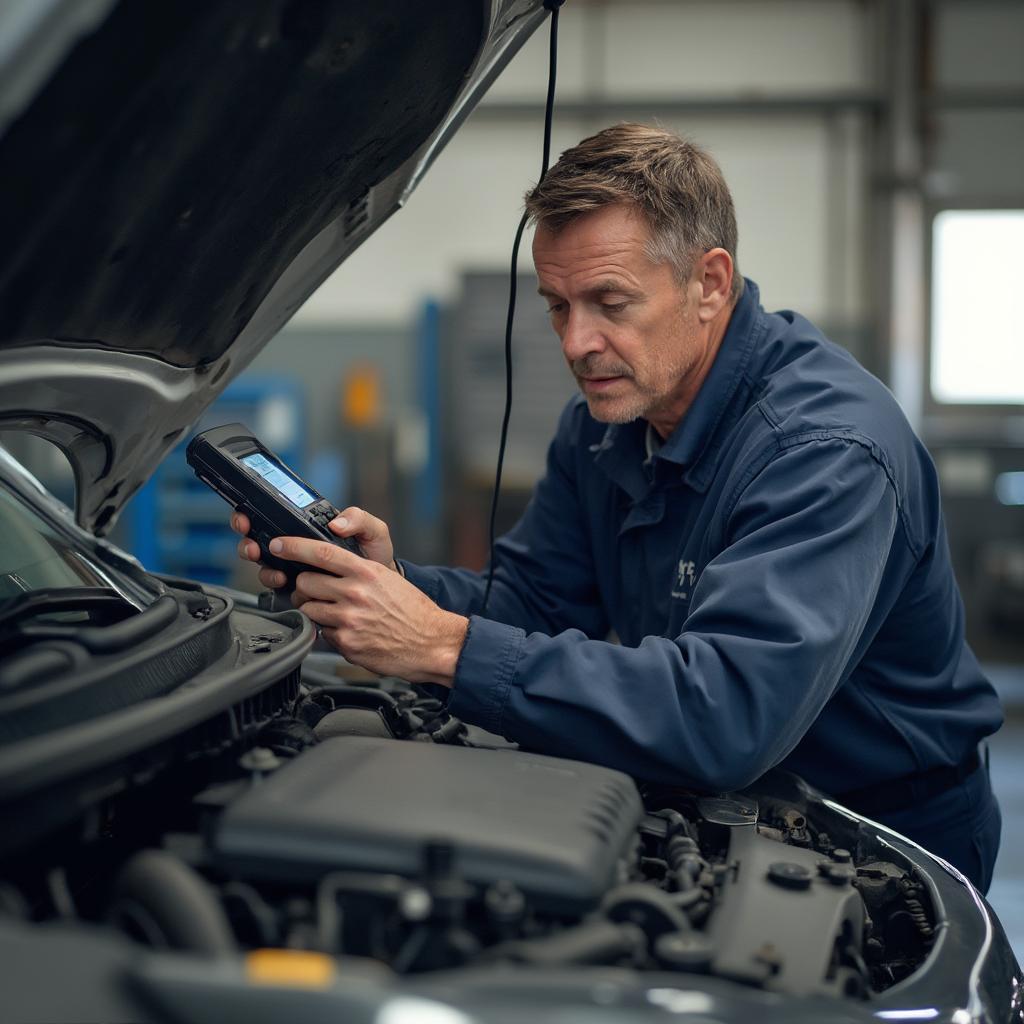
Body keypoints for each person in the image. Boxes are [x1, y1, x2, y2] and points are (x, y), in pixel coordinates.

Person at [232, 123, 1003, 892]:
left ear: (710, 282)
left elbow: (724, 715)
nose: (576, 342)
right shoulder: (610, 424)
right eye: (557, 306)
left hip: (882, 839)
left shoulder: (826, 451)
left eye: (609, 302)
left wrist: (442, 646)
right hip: (717, 810)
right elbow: (533, 604)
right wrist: (390, 586)